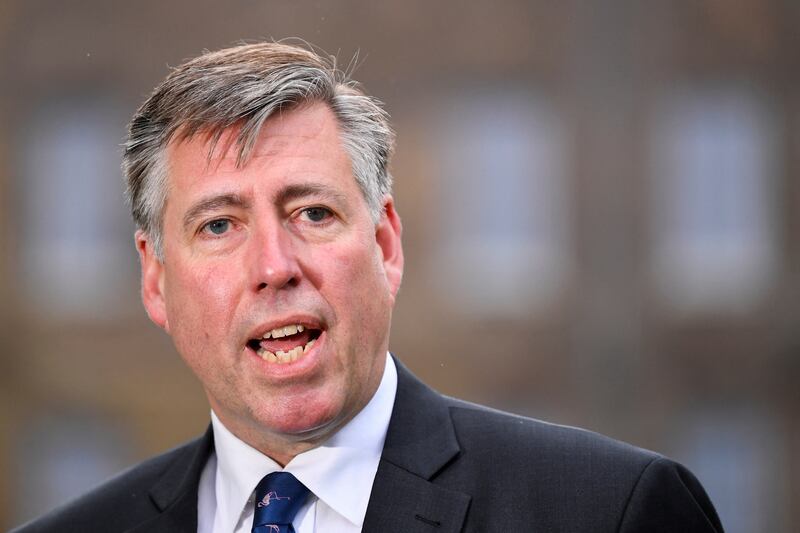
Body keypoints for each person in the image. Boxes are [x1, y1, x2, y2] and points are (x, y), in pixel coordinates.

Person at [12, 42, 724, 533]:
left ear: (385, 244)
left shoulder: (610, 512)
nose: (275, 263)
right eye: (220, 225)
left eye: (312, 212)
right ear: (156, 280)